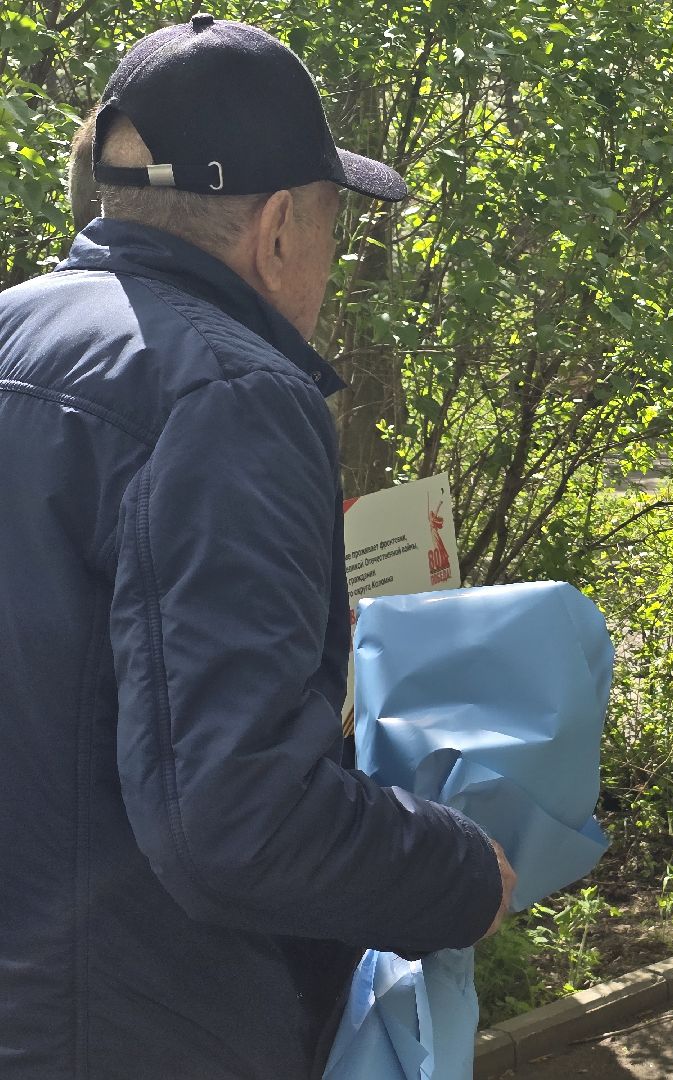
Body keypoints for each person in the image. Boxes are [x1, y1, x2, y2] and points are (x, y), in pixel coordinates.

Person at [0, 16, 514, 1079]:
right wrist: (465, 876)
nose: (331, 261)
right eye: (333, 225)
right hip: (141, 1031)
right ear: (278, 226)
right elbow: (235, 820)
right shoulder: (233, 393)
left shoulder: (15, 331)